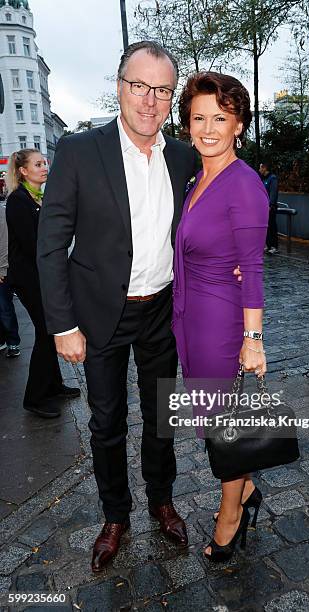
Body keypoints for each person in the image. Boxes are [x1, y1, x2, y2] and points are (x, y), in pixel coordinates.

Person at [37, 42, 196, 572]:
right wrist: (63, 325)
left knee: (161, 417)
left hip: (162, 311)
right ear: (119, 85)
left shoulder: (183, 156)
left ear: (171, 97)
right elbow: (51, 243)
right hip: (101, 312)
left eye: (161, 90)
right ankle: (115, 515)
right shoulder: (81, 151)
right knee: (107, 421)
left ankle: (161, 500)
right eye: (139, 86)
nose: (149, 100)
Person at [175, 72, 269, 561]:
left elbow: (252, 268)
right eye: (198, 117)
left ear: (238, 125)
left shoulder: (244, 183)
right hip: (191, 319)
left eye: (220, 118)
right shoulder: (197, 177)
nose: (207, 128)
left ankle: (231, 514)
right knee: (216, 418)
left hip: (221, 323)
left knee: (222, 426)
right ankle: (246, 490)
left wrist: (253, 339)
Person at [5, 150, 79, 417]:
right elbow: (33, 244)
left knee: (48, 332)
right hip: (29, 278)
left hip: (42, 275)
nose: (44, 166)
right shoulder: (18, 201)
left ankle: (54, 385)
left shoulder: (39, 197)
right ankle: (34, 398)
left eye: (44, 162)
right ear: (23, 171)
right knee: (46, 334)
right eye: (37, 164)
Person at [0, 200, 21, 357]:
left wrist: (1, 269)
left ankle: (13, 342)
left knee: (4, 308)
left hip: (1, 271)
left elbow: (4, 241)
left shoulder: (1, 212)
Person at [259, 161, 279, 253]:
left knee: (272, 226)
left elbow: (273, 193)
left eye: (260, 168)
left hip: (270, 207)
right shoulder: (263, 179)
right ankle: (268, 245)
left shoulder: (272, 178)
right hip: (263, 207)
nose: (259, 170)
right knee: (265, 227)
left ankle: (274, 246)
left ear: (264, 168)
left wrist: (271, 205)